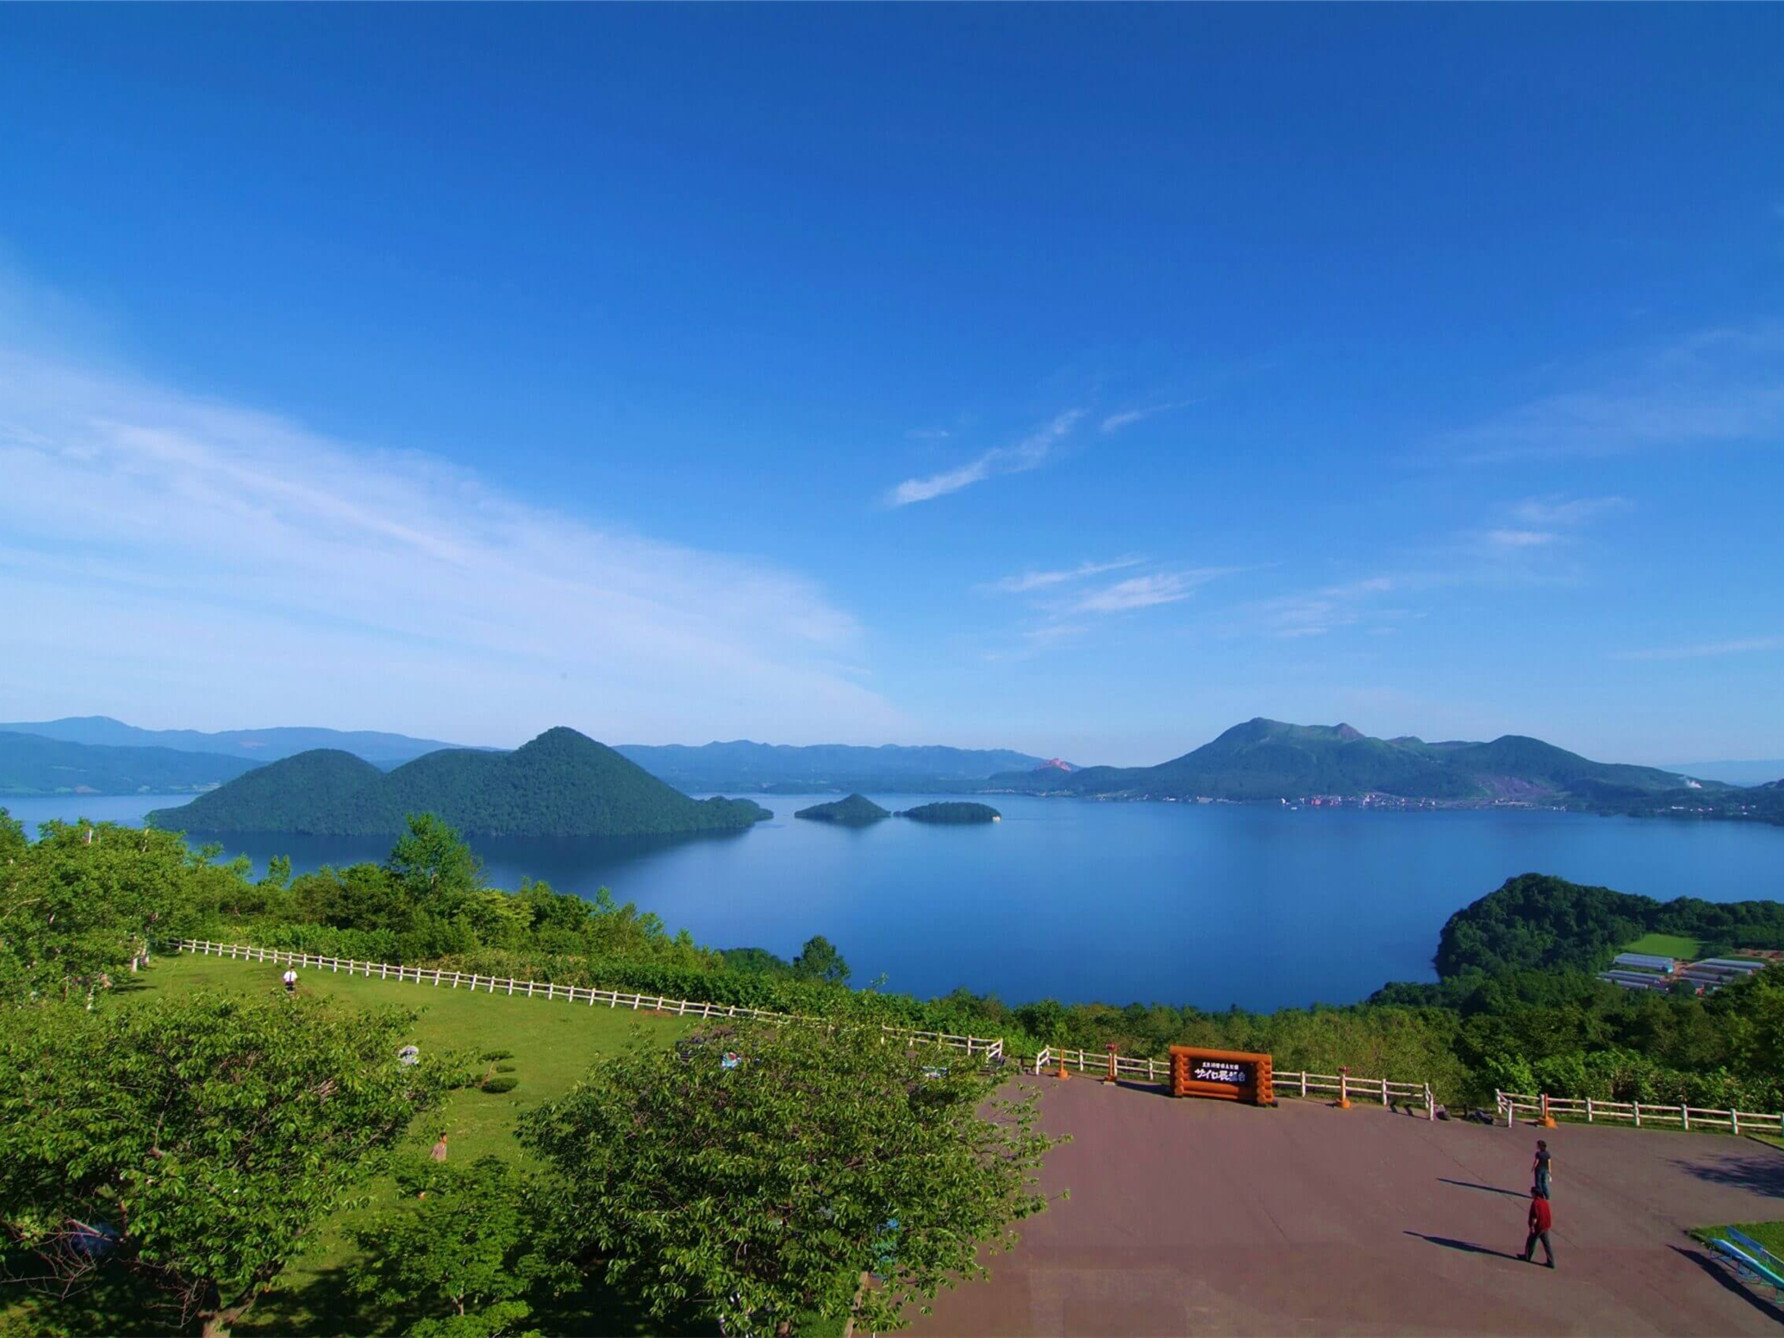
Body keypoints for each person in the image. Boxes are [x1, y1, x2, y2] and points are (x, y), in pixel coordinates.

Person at [1519, 1187, 1555, 1268]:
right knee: (1547, 1245)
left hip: (1538, 1227)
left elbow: (1535, 1217)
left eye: (1532, 1193)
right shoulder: (1544, 1202)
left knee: (1530, 1241)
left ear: (1535, 1193)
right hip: (1545, 1226)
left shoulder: (1535, 1203)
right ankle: (1551, 1261)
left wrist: (1532, 1227)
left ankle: (1527, 1256)